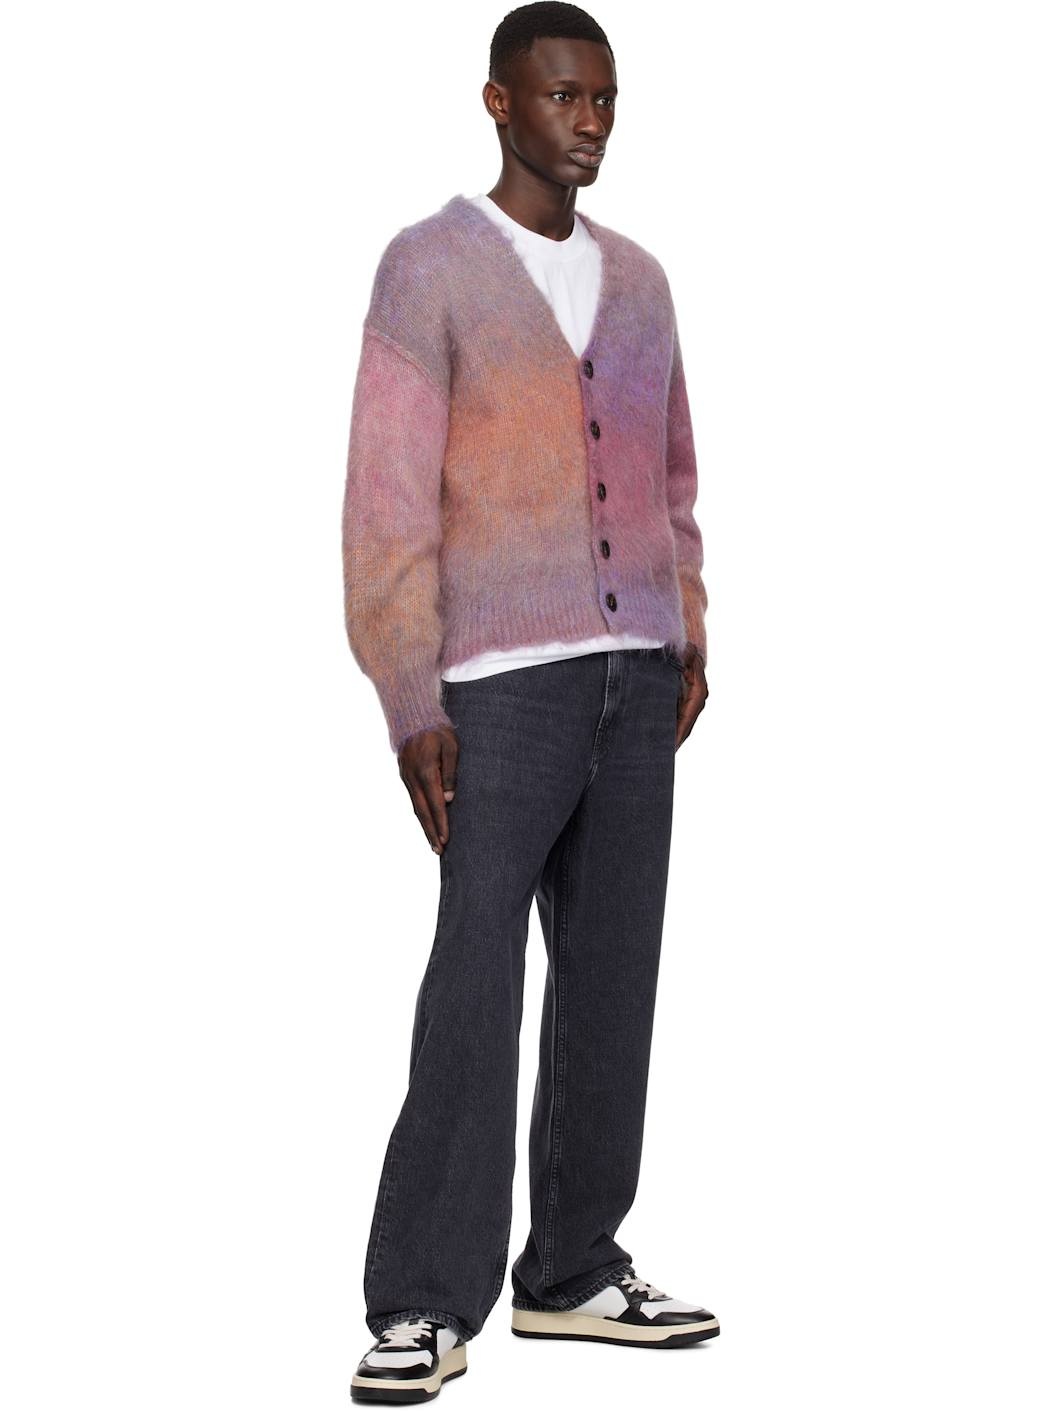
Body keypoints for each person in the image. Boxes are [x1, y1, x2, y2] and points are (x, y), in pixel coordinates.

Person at [341, 3, 717, 1401]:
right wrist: (410, 696)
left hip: (637, 678)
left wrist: (687, 625)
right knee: (476, 982)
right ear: (499, 102)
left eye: (605, 99)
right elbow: (385, 505)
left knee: (613, 977)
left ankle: (571, 1269)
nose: (590, 122)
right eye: (564, 97)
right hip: (497, 692)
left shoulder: (643, 282)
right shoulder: (429, 268)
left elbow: (673, 478)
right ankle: (422, 1300)